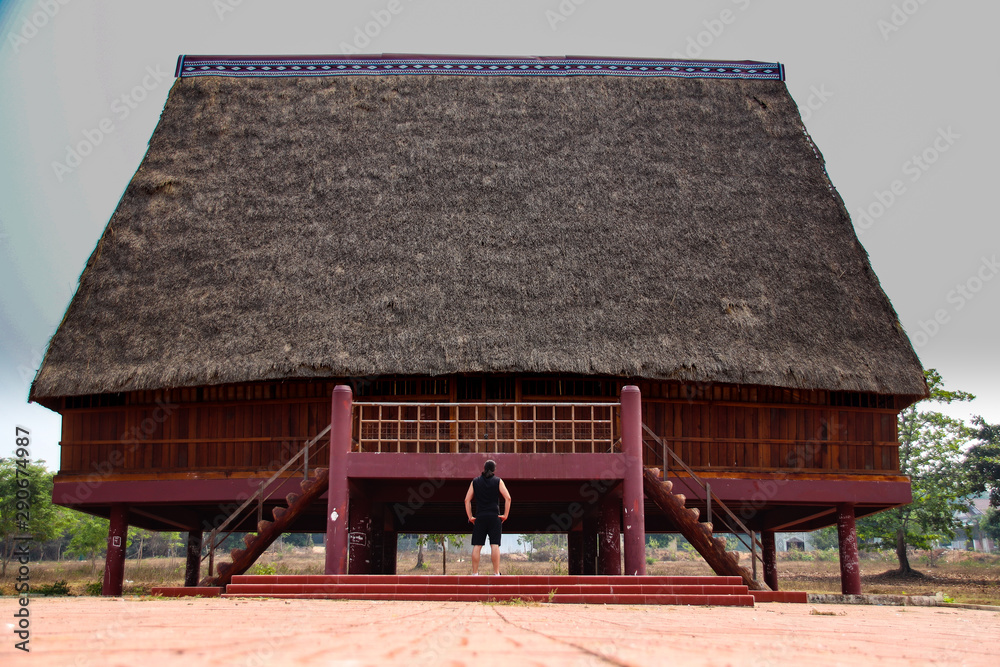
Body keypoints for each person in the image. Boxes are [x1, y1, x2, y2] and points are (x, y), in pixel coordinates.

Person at [464, 459, 511, 575]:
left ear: (484, 468)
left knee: (477, 545)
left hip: (480, 517)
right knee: (494, 544)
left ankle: (475, 573)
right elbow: (508, 498)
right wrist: (505, 515)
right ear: (494, 469)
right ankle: (496, 573)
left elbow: (467, 500)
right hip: (494, 517)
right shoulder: (498, 481)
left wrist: (470, 516)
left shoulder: (475, 482)